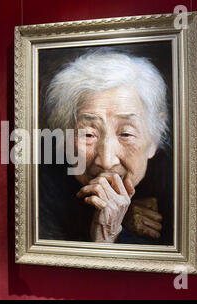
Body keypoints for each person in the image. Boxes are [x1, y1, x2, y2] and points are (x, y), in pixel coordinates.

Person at [39, 49, 173, 244]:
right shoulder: (40, 181)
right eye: (88, 134)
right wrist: (106, 232)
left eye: (125, 134)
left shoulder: (174, 185)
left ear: (155, 136)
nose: (107, 161)